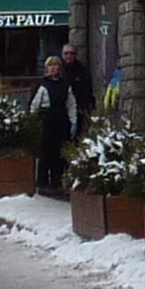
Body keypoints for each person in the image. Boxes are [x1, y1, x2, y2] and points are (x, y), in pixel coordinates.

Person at [34, 45, 85, 198]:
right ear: (47, 68)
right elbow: (34, 105)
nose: (54, 68)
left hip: (61, 121)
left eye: (56, 65)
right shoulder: (42, 85)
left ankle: (57, 183)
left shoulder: (65, 86)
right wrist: (34, 122)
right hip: (47, 120)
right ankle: (43, 183)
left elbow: (71, 105)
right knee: (46, 154)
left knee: (59, 155)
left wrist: (73, 121)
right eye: (51, 66)